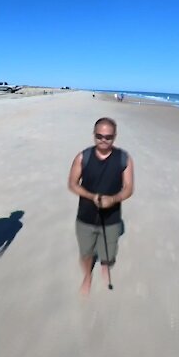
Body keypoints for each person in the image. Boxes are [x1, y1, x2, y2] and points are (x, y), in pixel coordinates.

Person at [67, 117, 135, 296]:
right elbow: (72, 184)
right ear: (93, 135)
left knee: (109, 253)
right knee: (86, 253)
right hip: (85, 217)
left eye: (108, 137)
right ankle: (87, 276)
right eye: (99, 136)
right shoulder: (83, 157)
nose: (103, 140)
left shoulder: (124, 158)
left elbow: (129, 189)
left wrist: (113, 200)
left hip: (112, 219)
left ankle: (105, 267)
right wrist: (92, 196)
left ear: (115, 137)